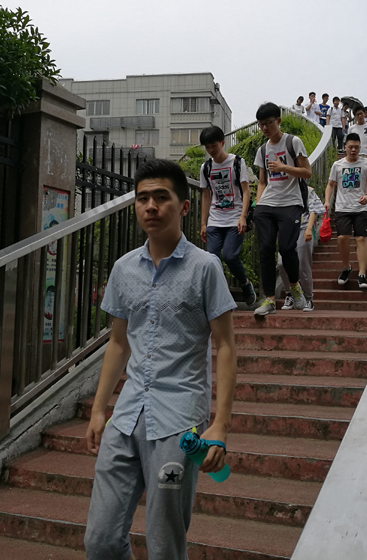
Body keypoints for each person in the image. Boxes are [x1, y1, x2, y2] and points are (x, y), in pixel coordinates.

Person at [84, 159, 237, 560]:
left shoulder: (206, 268)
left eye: (161, 197)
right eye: (142, 198)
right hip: (126, 415)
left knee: (165, 542)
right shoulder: (123, 269)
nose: (150, 206)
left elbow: (225, 347)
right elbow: (119, 344)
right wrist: (99, 409)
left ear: (184, 206)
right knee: (100, 540)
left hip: (179, 419)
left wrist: (220, 425)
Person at [252, 102, 312, 316]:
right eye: (261, 124)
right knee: (266, 250)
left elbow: (307, 172)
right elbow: (262, 181)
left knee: (287, 248)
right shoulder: (262, 150)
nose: (264, 128)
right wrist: (258, 204)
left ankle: (294, 286)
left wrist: (283, 167)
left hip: (290, 202)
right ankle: (269, 299)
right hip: (267, 203)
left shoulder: (292, 142)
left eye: (268, 123)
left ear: (278, 121)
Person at [198, 126, 257, 306]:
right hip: (215, 219)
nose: (211, 150)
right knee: (212, 259)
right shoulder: (206, 167)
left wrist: (243, 216)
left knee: (230, 256)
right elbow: (206, 195)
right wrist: (203, 223)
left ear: (222, 143)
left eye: (214, 146)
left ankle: (245, 284)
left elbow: (245, 191)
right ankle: (219, 296)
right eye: (207, 147)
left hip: (234, 218)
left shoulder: (237, 162)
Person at [324, 132, 367, 290]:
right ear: (345, 147)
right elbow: (330, 185)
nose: (353, 150)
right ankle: (346, 267)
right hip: (342, 207)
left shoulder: (366, 164)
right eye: (351, 147)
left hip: (361, 207)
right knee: (342, 238)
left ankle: (362, 274)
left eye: (356, 147)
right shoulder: (337, 165)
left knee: (361, 238)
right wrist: (327, 201)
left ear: (360, 148)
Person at [278, 185, 326, 311]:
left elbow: (313, 210)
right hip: (287, 229)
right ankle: (290, 294)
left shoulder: (307, 190)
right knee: (281, 263)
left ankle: (308, 297)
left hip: (303, 228)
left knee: (303, 265)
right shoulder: (281, 188)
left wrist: (309, 228)